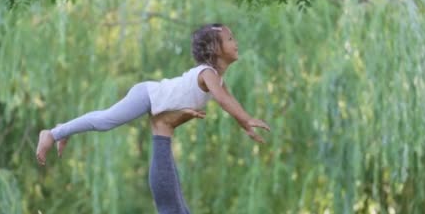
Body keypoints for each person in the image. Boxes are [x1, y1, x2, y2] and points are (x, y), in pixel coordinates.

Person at [35, 23, 270, 165]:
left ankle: (65, 129)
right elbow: (222, 99)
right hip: (148, 95)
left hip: (151, 95)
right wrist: (246, 119)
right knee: (106, 121)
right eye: (230, 39)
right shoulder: (207, 73)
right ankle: (52, 133)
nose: (236, 42)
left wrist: (245, 123)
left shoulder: (217, 78)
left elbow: (229, 100)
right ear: (215, 49)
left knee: (104, 120)